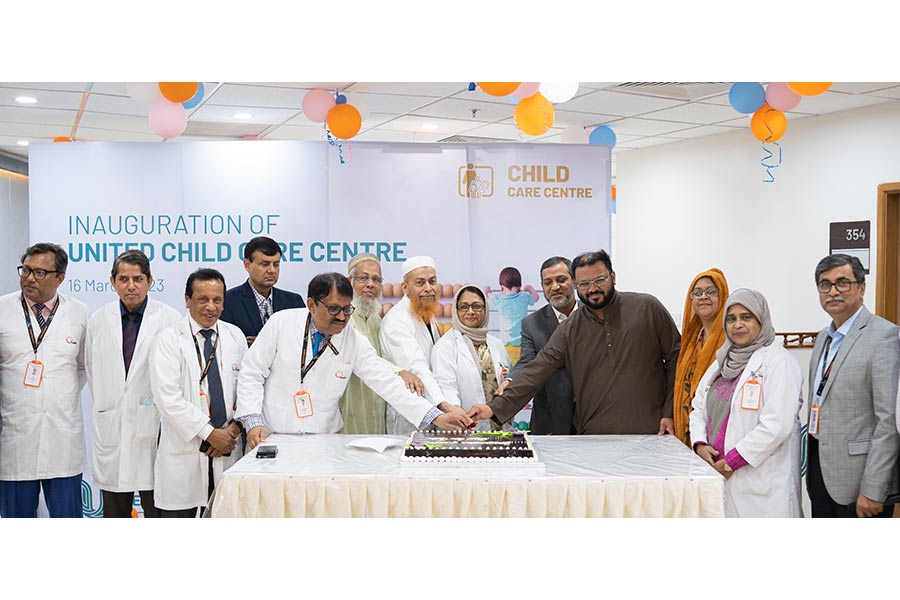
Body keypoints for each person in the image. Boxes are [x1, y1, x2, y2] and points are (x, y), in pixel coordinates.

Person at [236, 272, 470, 447]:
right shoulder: (281, 323)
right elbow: (252, 372)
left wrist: (434, 415)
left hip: (323, 439)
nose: (342, 317)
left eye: (347, 310)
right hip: (273, 436)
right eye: (334, 309)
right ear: (311, 305)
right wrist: (252, 420)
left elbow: (387, 383)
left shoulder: (353, 339)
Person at [468, 250, 680, 435]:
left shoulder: (647, 308)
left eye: (600, 280)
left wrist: (670, 411)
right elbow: (538, 368)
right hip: (594, 437)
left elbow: (677, 358)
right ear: (577, 285)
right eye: (585, 284)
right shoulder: (570, 328)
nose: (592, 289)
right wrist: (495, 408)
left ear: (613, 276)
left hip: (651, 430)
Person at [689, 289, 803, 517]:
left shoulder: (779, 362)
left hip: (761, 482)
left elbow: (776, 426)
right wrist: (700, 444)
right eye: (731, 319)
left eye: (746, 317)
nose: (737, 325)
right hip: (719, 473)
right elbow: (698, 406)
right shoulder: (723, 360)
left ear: (761, 319)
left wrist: (732, 460)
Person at [85, 250, 181, 518]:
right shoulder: (98, 320)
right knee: (115, 514)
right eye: (124, 279)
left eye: (138, 278)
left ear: (150, 281)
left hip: (155, 429)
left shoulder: (169, 319)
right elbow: (92, 369)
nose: (131, 286)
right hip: (112, 427)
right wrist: (113, 402)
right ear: (112, 281)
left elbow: (176, 376)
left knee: (158, 511)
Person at [0, 243, 90, 518]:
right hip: (15, 438)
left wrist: (53, 395)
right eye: (26, 270)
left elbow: (82, 367)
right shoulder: (2, 309)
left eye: (40, 273)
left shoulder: (80, 314)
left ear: (59, 278)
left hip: (62, 438)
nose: (29, 278)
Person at [806, 254, 900, 518]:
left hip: (861, 480)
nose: (833, 291)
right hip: (821, 471)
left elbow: (888, 421)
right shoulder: (823, 337)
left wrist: (873, 488)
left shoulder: (885, 336)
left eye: (842, 283)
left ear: (862, 288)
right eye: (825, 284)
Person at [148, 269, 247, 517]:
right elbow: (167, 399)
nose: (210, 307)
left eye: (217, 300)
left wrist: (232, 430)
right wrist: (210, 433)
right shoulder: (168, 339)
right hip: (187, 452)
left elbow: (248, 389)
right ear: (187, 300)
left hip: (228, 447)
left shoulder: (235, 336)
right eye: (202, 299)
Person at [339, 253, 423, 434]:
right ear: (349, 282)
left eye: (376, 280)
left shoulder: (377, 320)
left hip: (378, 403)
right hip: (350, 402)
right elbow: (361, 357)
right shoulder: (343, 319)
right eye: (363, 278)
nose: (371, 284)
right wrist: (398, 371)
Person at [380, 255, 456, 434]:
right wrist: (446, 406)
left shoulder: (427, 312)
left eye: (432, 281)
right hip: (410, 413)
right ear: (405, 287)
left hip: (433, 409)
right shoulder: (397, 320)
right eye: (420, 283)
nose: (428, 288)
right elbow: (416, 367)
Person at [509, 256, 577, 435]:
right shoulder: (532, 323)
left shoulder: (593, 315)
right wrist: (509, 381)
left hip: (591, 420)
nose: (555, 287)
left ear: (575, 281)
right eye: (548, 282)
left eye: (561, 280)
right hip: (549, 420)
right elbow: (527, 362)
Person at [432, 285, 512, 432]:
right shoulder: (445, 346)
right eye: (464, 306)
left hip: (500, 428)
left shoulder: (497, 344)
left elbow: (507, 378)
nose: (470, 311)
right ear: (456, 310)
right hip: (463, 429)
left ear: (485, 309)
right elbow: (445, 385)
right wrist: (455, 410)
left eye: (476, 306)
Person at [673, 268, 730, 446]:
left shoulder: (731, 339)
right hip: (689, 430)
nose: (703, 296)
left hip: (719, 433)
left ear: (723, 297)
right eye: (697, 293)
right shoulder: (691, 339)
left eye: (711, 291)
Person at [220, 236, 304, 347]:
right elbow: (224, 346)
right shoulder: (228, 301)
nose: (272, 270)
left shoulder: (294, 302)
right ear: (247, 265)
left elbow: (304, 342)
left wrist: (265, 345)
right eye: (264, 264)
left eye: (276, 264)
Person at [487, 266, 538, 364]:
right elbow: (535, 298)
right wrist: (529, 288)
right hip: (523, 342)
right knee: (521, 367)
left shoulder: (499, 300)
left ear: (501, 287)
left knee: (507, 367)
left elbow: (486, 303)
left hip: (505, 342)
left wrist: (486, 290)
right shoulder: (524, 297)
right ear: (520, 285)